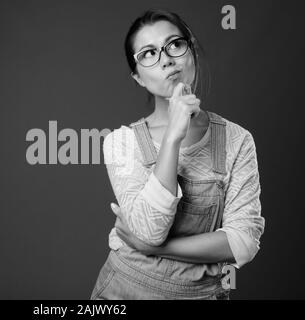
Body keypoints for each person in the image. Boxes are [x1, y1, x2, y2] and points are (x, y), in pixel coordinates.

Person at [90, 9, 265, 300]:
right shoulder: (122, 142)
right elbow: (149, 231)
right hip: (124, 291)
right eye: (149, 53)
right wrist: (173, 137)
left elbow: (243, 242)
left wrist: (157, 250)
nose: (167, 59)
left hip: (203, 294)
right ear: (138, 77)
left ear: (191, 51)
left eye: (175, 44)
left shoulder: (237, 139)